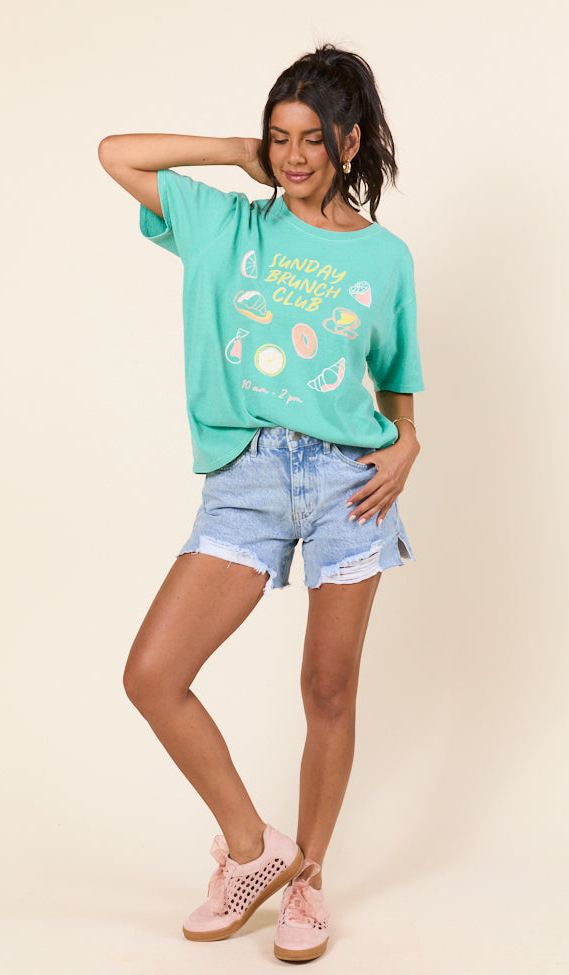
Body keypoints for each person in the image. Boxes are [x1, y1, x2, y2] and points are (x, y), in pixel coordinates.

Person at [98, 43, 424, 963]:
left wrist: (409, 441)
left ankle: (308, 881)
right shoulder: (225, 225)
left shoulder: (386, 257)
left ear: (349, 143)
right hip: (246, 477)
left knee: (328, 687)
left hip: (350, 485)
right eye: (279, 137)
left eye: (311, 139)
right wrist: (234, 151)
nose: (293, 156)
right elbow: (116, 153)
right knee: (153, 674)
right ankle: (255, 850)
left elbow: (397, 377)